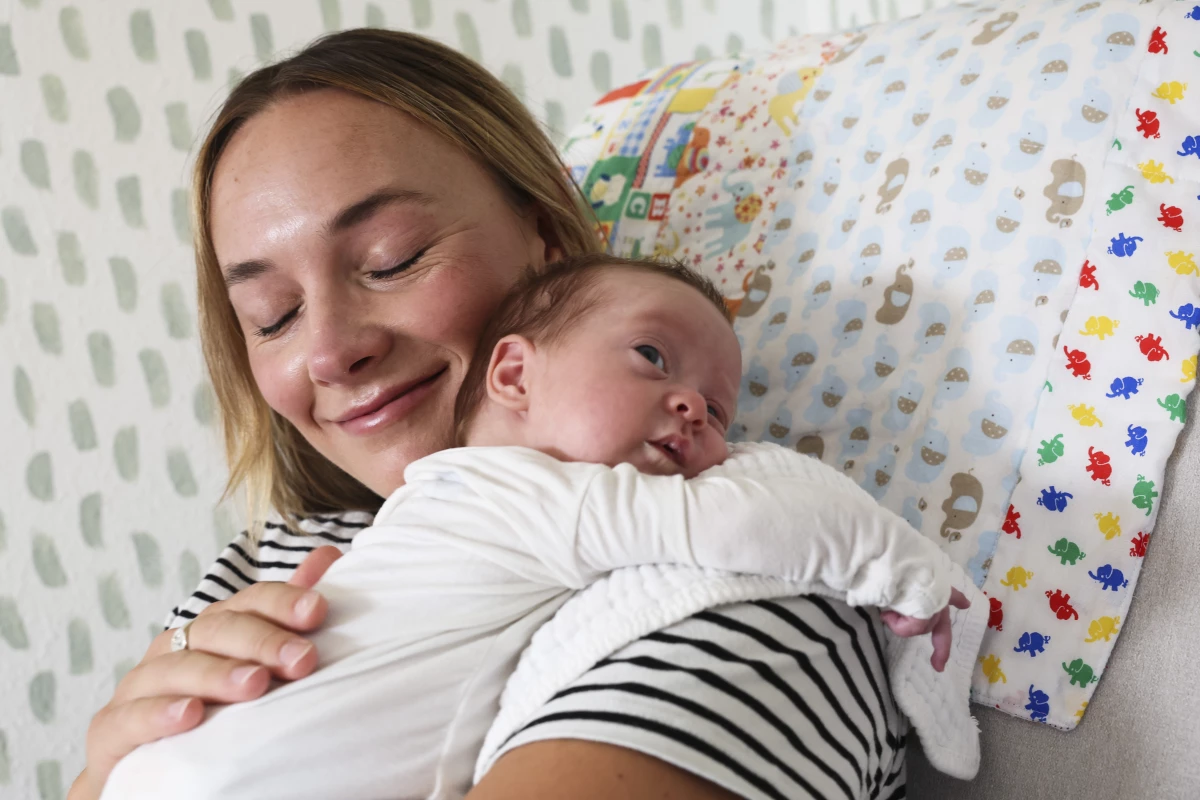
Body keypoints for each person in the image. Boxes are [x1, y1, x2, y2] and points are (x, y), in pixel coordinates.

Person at [74, 29, 915, 800]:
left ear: (546, 235)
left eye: (391, 260)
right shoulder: (266, 573)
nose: (330, 352)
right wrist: (102, 767)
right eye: (273, 316)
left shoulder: (735, 575)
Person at [100, 256, 969, 798]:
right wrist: (910, 577)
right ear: (513, 371)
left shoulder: (742, 625)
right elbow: (732, 521)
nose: (694, 412)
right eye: (652, 359)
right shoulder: (520, 494)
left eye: (718, 408)